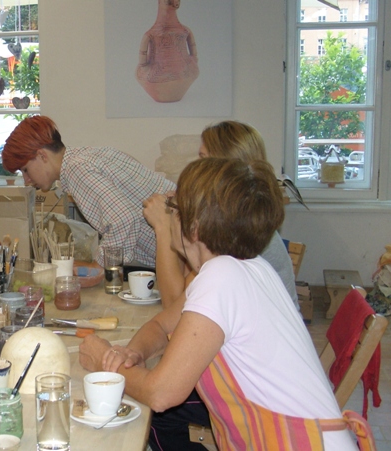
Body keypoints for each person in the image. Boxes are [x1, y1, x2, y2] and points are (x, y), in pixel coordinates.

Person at [80, 158, 370, 451]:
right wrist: (132, 353)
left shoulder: (221, 277)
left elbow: (161, 394)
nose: (169, 215)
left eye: (174, 208)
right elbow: (161, 324)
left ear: (194, 228)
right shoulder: (244, 267)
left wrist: (106, 366)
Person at [143, 120, 298, 310]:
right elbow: (184, 281)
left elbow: (176, 306)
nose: (197, 167)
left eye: (203, 159)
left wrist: (163, 226)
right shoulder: (229, 215)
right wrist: (179, 215)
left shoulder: (236, 228)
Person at [1, 115, 175, 267]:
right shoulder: (86, 156)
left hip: (180, 253)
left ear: (42, 156)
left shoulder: (76, 170)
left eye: (25, 170)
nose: (27, 180)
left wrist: (98, 266)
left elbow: (124, 219)